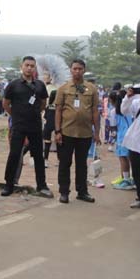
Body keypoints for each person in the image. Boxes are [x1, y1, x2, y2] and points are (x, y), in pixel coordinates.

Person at [1, 56, 52, 197]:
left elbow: (43, 103)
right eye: (27, 65)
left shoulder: (40, 85)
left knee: (38, 156)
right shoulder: (13, 85)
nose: (29, 68)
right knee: (14, 155)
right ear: (21, 67)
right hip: (18, 126)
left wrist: (34, 113)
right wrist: (16, 115)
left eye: (32, 66)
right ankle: (9, 184)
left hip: (35, 126)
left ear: (35, 68)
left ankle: (42, 185)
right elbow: (5, 104)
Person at [54, 59, 101, 203]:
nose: (77, 71)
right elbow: (58, 110)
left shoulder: (91, 89)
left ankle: (82, 192)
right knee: (64, 163)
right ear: (70, 70)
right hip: (66, 132)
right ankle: (64, 192)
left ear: (84, 70)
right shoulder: (63, 88)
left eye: (80, 69)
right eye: (75, 68)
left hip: (85, 133)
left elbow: (95, 111)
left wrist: (97, 132)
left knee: (81, 164)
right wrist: (57, 131)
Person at [121, 84, 140, 208]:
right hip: (134, 142)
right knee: (137, 172)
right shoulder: (137, 102)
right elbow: (124, 111)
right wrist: (127, 97)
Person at [110, 89, 135, 190]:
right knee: (131, 158)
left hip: (122, 137)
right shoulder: (130, 109)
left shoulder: (114, 112)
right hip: (132, 135)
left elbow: (113, 126)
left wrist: (113, 137)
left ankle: (126, 180)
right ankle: (133, 179)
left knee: (123, 158)